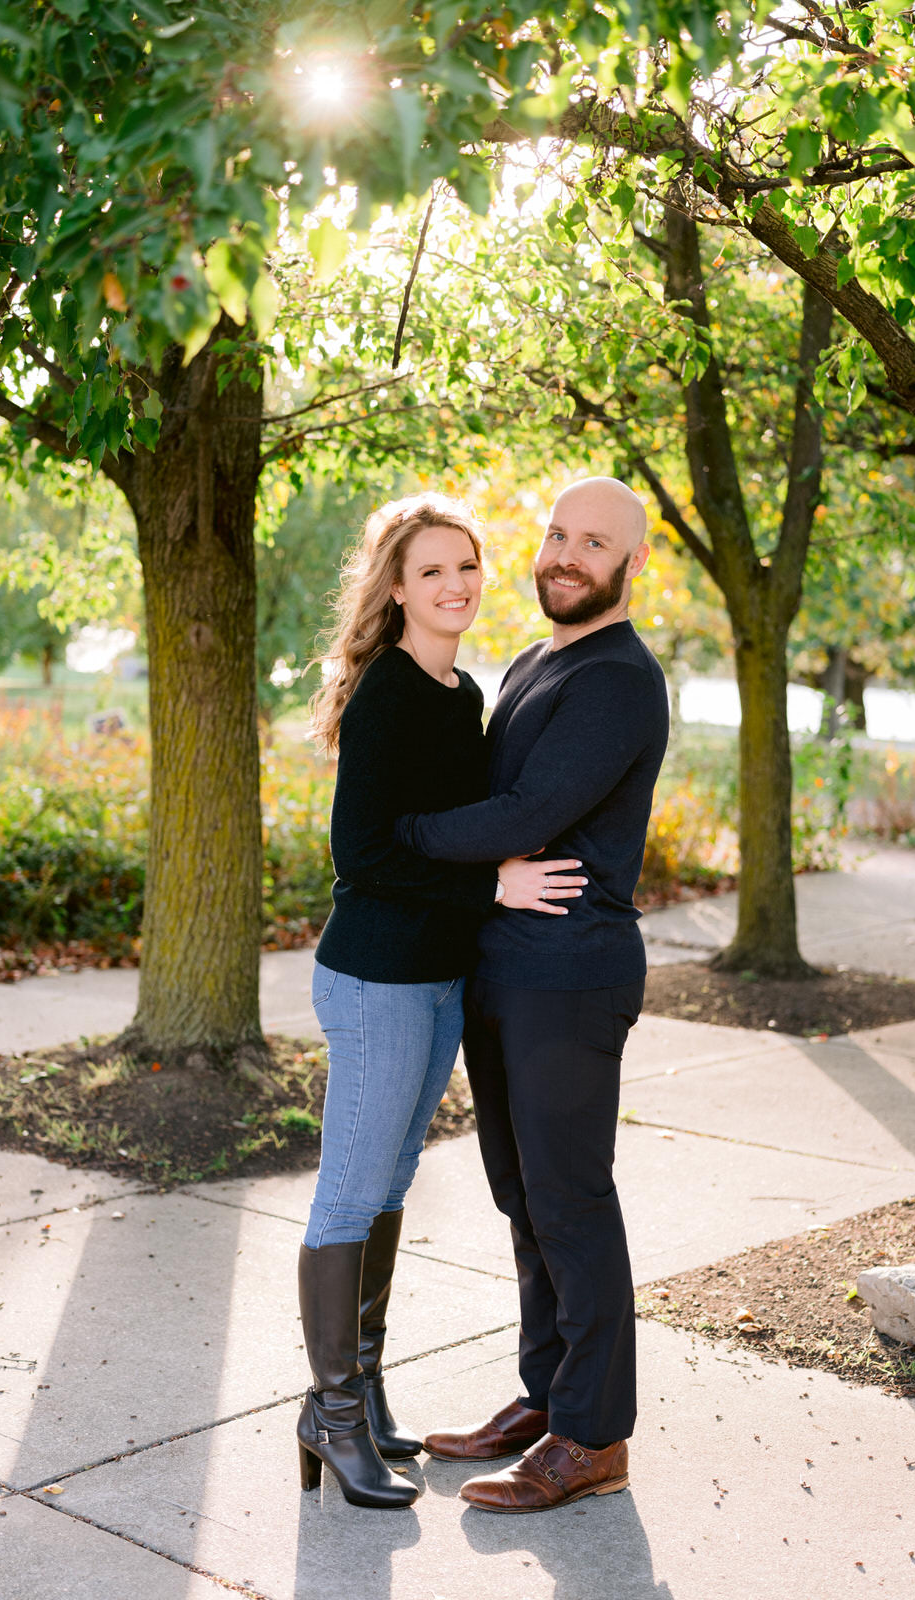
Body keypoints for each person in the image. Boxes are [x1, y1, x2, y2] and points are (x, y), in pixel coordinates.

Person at [297, 493, 586, 1510]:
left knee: (384, 1187)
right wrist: (491, 886)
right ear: (397, 588)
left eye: (467, 566)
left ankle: (356, 1396)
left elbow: (454, 826)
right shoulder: (387, 694)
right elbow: (363, 854)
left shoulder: (458, 689)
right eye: (433, 571)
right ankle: (331, 1418)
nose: (457, 584)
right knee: (349, 1188)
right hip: (376, 977)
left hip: (434, 981)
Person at [396, 476, 669, 1513]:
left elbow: (529, 809)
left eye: (592, 542)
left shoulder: (619, 679)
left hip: (571, 974)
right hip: (503, 969)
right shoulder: (530, 660)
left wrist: (405, 839)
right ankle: (546, 1393)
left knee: (570, 1198)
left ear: (630, 564)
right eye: (557, 533)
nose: (564, 553)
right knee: (522, 1194)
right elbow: (495, 811)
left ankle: (593, 1435)